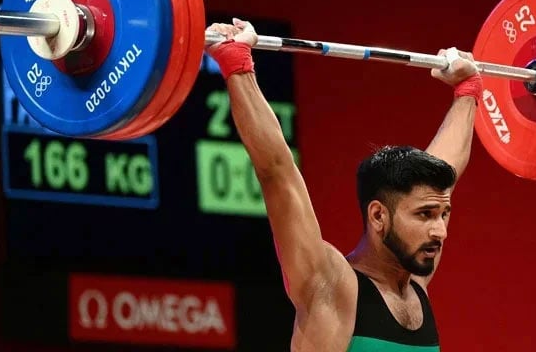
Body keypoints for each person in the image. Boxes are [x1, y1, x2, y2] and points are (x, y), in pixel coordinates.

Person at [206, 18, 482, 352]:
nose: (440, 231)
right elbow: (277, 172)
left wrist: (467, 92)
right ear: (379, 216)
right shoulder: (332, 285)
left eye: (443, 214)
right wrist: (237, 66)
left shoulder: (415, 280)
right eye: (425, 215)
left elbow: (445, 172)